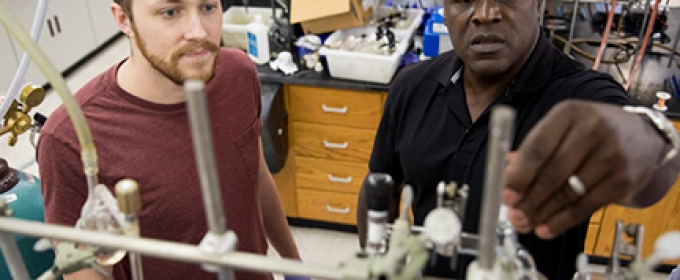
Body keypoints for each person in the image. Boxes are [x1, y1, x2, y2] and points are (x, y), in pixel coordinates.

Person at [357, 0, 680, 279]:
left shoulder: (581, 97)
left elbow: (649, 157)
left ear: (539, 4)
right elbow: (379, 186)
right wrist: (380, 266)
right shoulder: (412, 87)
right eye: (464, 0)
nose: (485, 13)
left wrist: (645, 140)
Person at [36, 0, 303, 279]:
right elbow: (84, 271)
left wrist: (293, 263)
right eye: (171, 12)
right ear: (124, 19)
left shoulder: (238, 73)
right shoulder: (70, 137)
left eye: (208, 7)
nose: (198, 31)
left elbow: (256, 176)